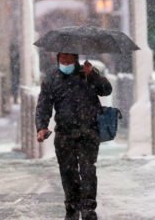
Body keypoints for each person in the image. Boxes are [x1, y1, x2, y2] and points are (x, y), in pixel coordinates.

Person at [35, 53, 112, 220]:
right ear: (58, 59)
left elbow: (106, 90)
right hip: (64, 132)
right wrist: (41, 126)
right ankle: (72, 207)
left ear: (75, 59)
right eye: (62, 59)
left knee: (87, 169)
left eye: (69, 59)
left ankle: (88, 207)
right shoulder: (52, 79)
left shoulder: (87, 73)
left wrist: (92, 75)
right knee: (68, 172)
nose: (65, 62)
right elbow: (44, 104)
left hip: (88, 131)